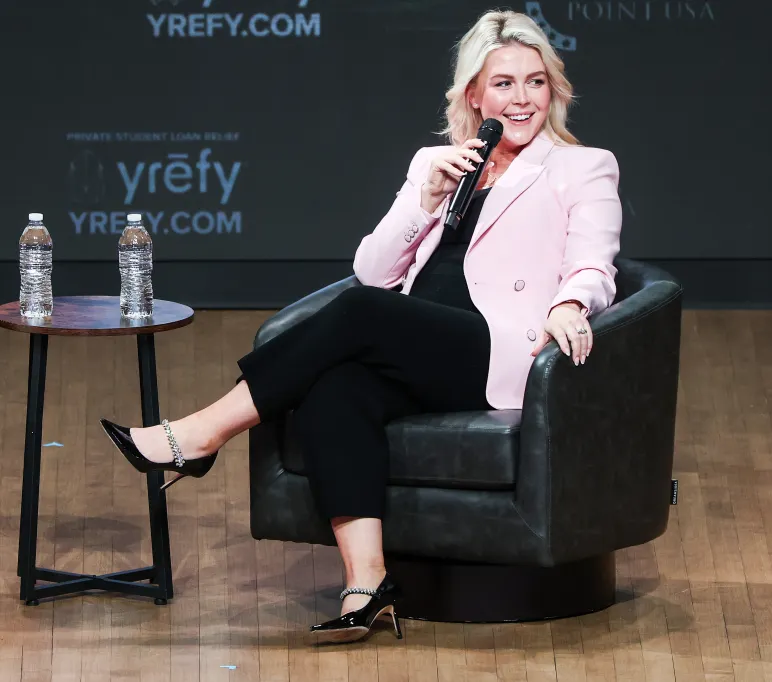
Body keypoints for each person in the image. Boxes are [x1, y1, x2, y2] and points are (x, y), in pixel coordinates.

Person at [99, 8, 621, 643]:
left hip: (498, 350)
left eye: (535, 82)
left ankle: (202, 433)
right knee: (334, 389)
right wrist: (424, 199)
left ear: (553, 90)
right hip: (419, 348)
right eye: (504, 83)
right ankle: (367, 587)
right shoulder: (439, 161)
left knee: (356, 315)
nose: (521, 99)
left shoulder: (582, 166)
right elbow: (373, 271)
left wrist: (572, 303)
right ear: (473, 94)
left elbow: (595, 264)